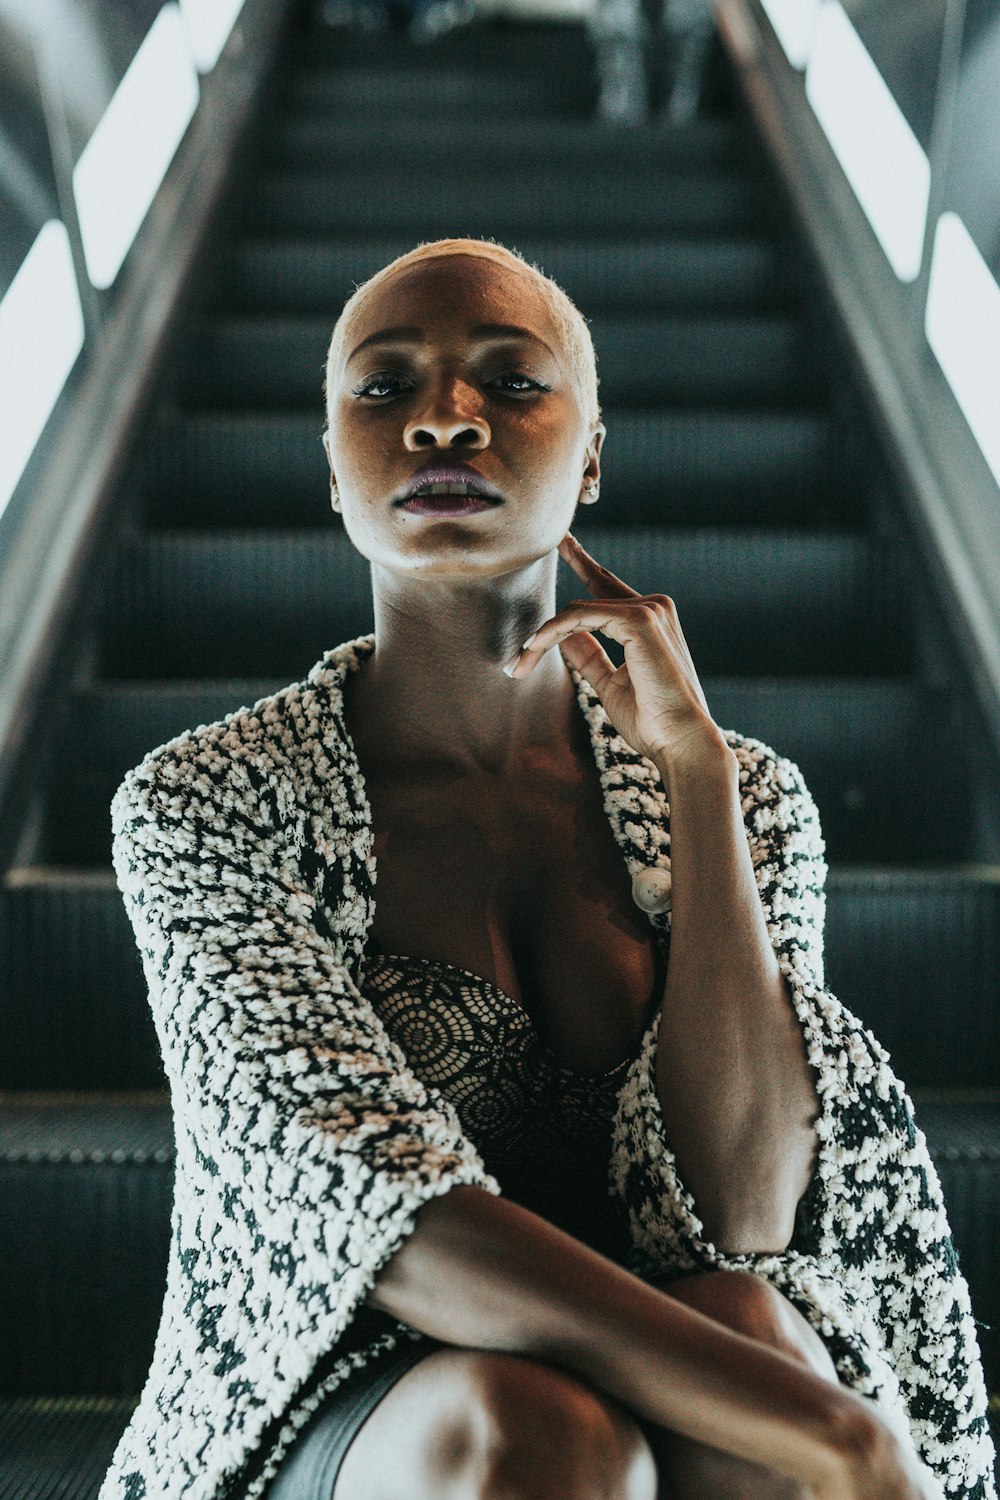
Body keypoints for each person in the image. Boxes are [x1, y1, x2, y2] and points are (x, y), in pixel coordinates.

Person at [101, 237, 994, 1500]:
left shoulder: (751, 800)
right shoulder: (205, 805)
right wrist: (837, 1430)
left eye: (512, 384)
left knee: (751, 1327)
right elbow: (373, 1215)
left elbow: (739, 1211)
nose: (443, 423)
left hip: (674, 1350)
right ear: (334, 473)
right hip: (339, 1393)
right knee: (552, 1427)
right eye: (382, 387)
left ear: (590, 454)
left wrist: (700, 787)